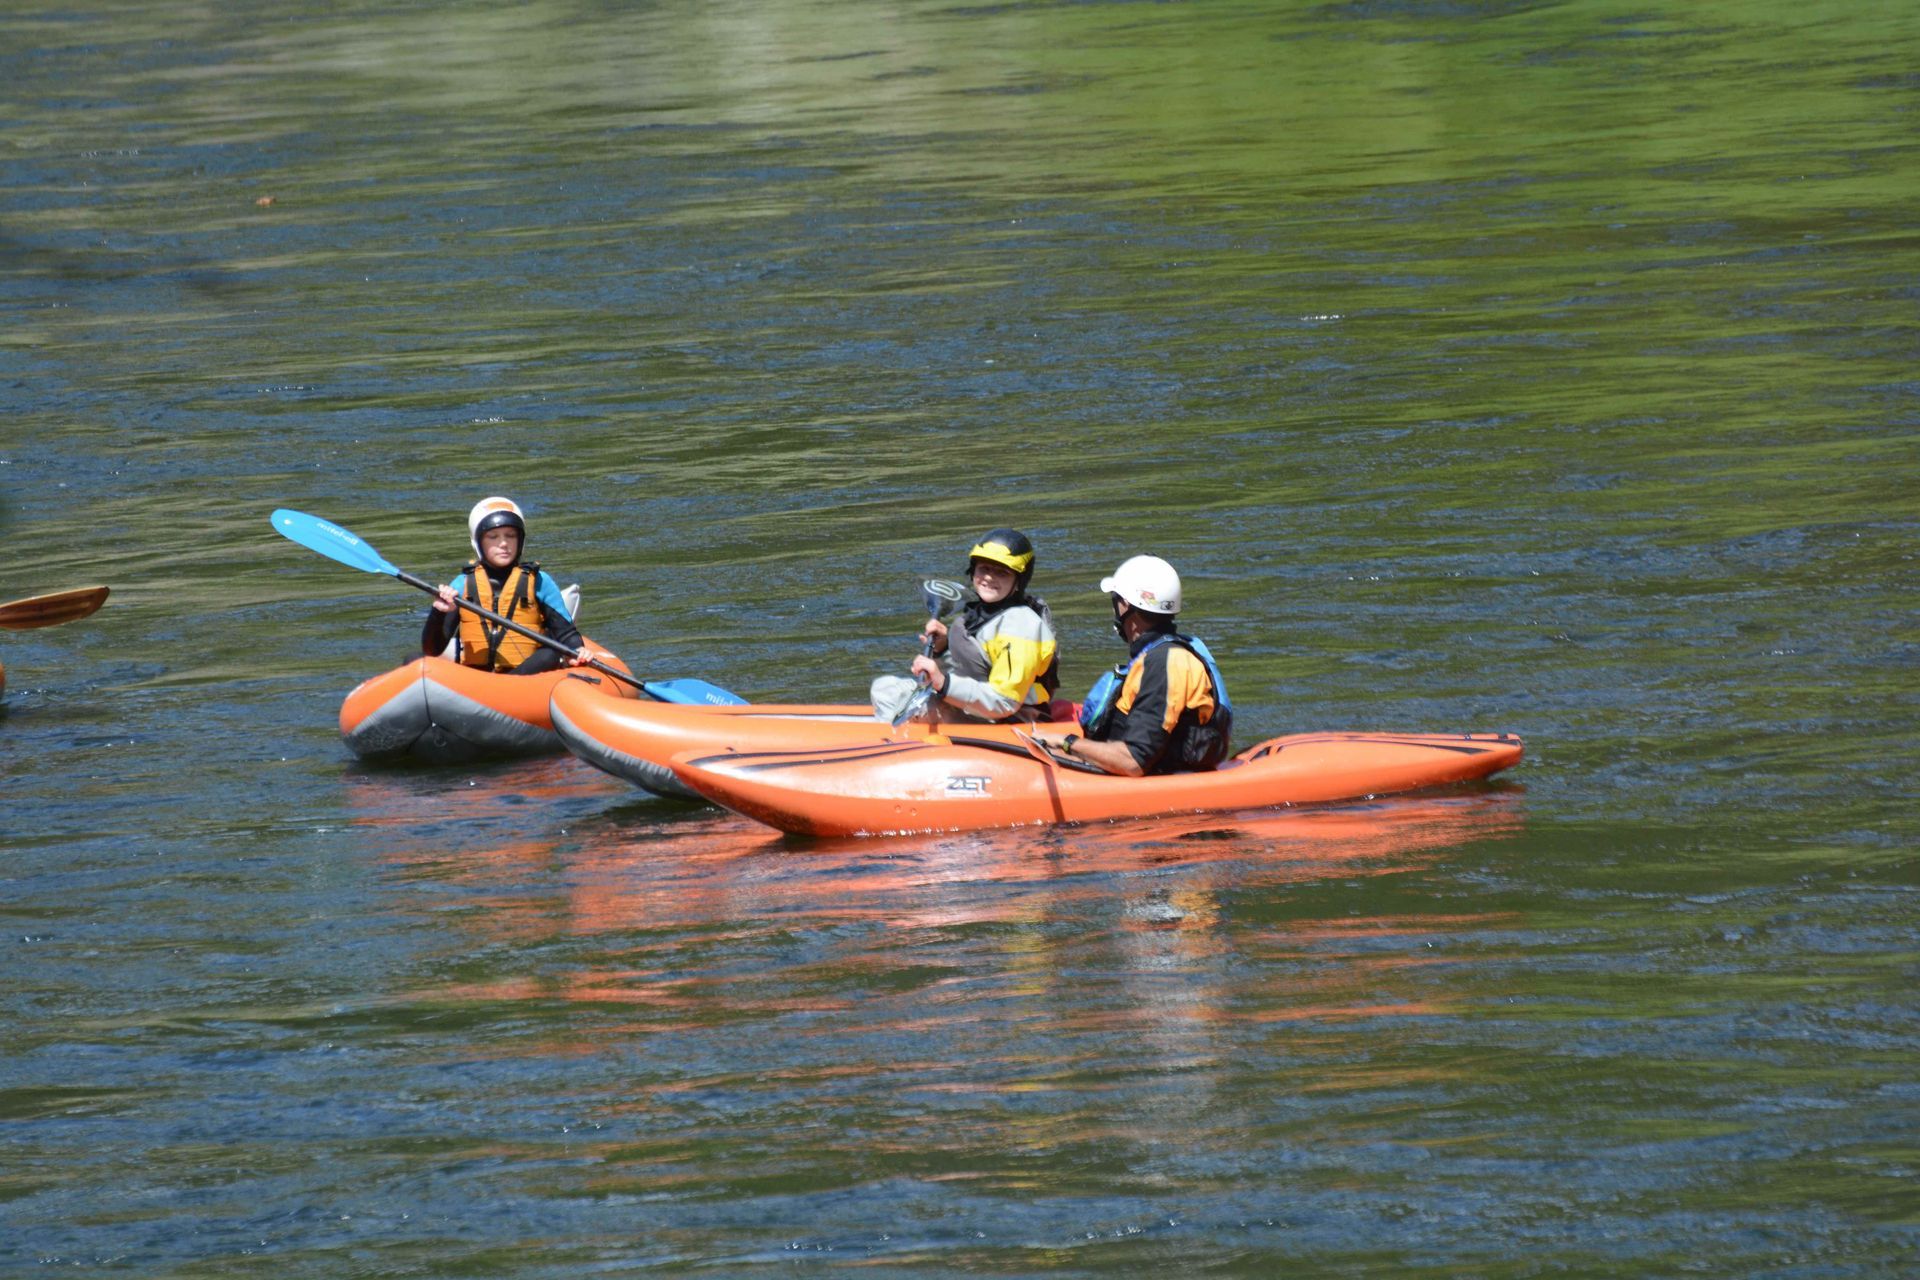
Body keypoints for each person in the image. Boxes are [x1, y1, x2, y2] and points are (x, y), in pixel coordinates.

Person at [1030, 555, 1232, 776]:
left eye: (1116, 600)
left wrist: (1067, 742)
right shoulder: (1163, 653)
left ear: (1126, 605)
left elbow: (1134, 761)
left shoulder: (1163, 663)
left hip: (1158, 776)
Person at [871, 528, 1060, 725]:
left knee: (900, 702)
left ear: (1019, 581)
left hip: (1013, 719)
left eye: (1002, 573)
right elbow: (976, 672)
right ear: (973, 571)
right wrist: (943, 648)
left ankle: (891, 745)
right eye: (984, 569)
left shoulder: (1022, 627)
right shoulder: (980, 614)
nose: (989, 577)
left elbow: (1005, 701)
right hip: (981, 709)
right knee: (885, 688)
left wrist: (942, 683)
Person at [421, 497, 585, 675]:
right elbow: (432, 650)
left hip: (524, 676)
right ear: (478, 543)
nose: (504, 543)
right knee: (413, 660)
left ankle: (506, 688)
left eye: (510, 535)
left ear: (520, 539)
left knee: (549, 655)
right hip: (475, 678)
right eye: (493, 537)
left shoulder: (540, 582)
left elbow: (567, 635)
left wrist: (578, 650)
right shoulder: (462, 584)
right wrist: (438, 612)